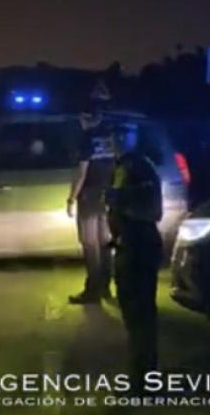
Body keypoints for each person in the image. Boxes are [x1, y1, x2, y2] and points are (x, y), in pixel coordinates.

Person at [106, 121, 163, 390]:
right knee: (133, 315)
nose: (115, 140)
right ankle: (140, 375)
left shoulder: (139, 167)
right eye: (113, 135)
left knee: (140, 317)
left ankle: (144, 380)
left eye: (121, 134)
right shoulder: (122, 166)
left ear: (133, 138)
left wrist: (122, 204)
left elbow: (152, 211)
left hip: (139, 247)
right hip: (128, 247)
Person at [66, 93, 116, 304]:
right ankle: (106, 287)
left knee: (89, 243)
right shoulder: (109, 137)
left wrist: (71, 198)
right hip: (108, 194)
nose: (80, 122)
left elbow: (82, 172)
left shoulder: (87, 139)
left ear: (88, 117)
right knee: (104, 242)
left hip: (89, 196)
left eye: (82, 118)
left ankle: (92, 290)